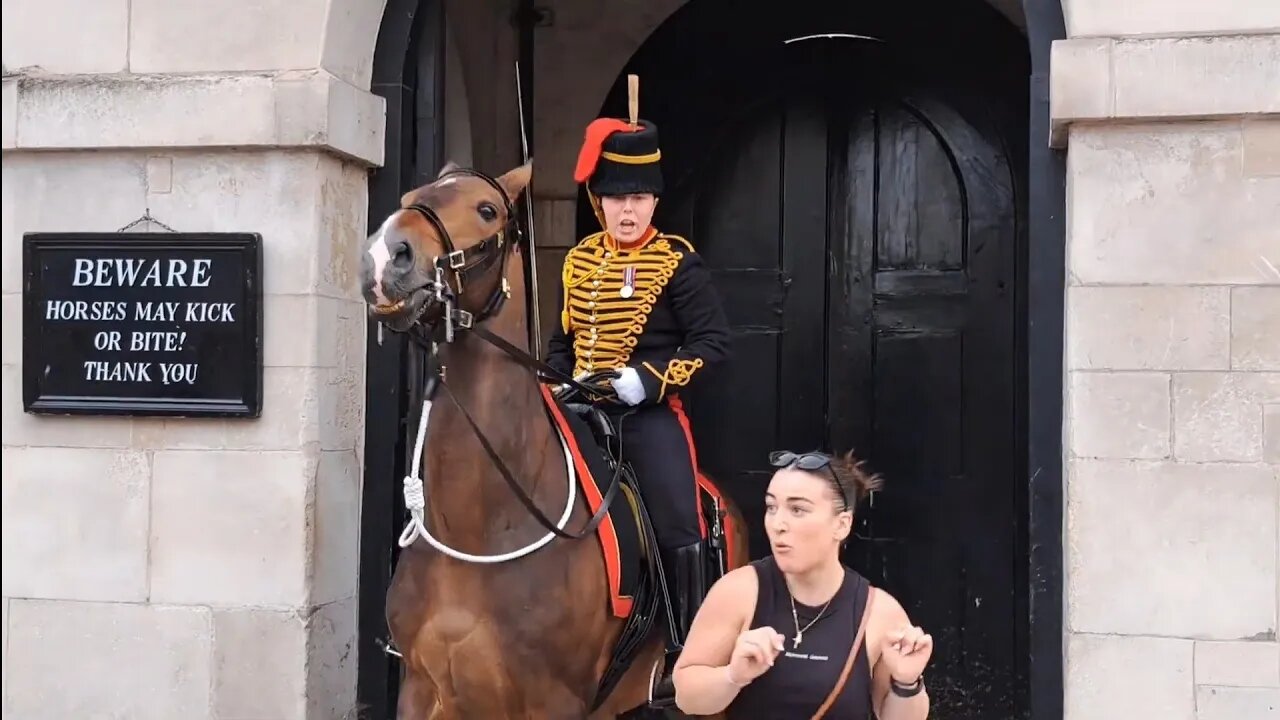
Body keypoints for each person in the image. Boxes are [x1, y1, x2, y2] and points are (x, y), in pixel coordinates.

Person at [545, 113, 732, 706]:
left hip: (646, 415)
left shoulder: (678, 261)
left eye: (640, 198)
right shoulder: (578, 261)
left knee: (681, 520)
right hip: (582, 409)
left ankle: (686, 649)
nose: (629, 211)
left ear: (654, 202)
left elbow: (712, 342)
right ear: (598, 204)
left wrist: (647, 381)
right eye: (616, 199)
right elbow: (560, 340)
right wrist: (555, 381)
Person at [671, 451, 933, 719]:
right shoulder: (739, 592)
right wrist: (732, 677)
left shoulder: (879, 613)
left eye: (798, 510)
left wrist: (907, 682)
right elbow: (687, 698)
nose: (778, 524)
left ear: (841, 525)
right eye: (772, 507)